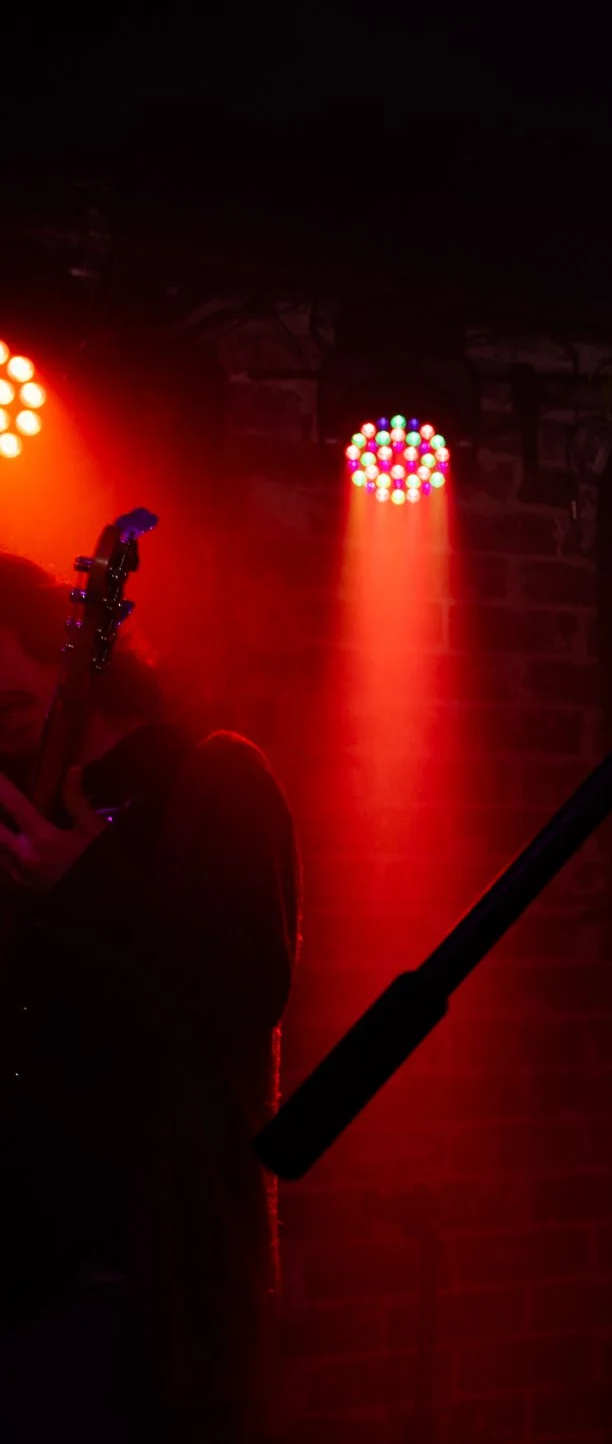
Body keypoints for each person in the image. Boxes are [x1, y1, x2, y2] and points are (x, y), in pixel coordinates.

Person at [0, 549, 298, 1442]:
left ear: (70, 647)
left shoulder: (215, 777)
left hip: (141, 1298)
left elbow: (241, 994)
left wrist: (85, 883)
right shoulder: (23, 802)